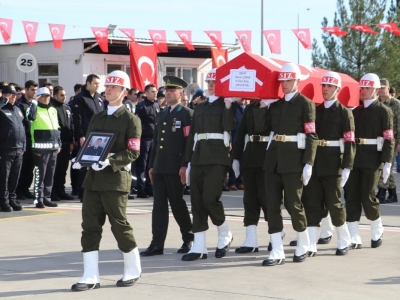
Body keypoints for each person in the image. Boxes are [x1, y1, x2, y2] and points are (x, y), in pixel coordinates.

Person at [71, 70, 142, 291]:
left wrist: (111, 161)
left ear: (124, 92)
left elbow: (133, 152)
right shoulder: (97, 117)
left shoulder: (131, 119)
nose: (108, 89)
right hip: (93, 180)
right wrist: (80, 158)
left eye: (113, 87)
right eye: (107, 86)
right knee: (90, 227)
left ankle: (133, 268)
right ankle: (90, 275)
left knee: (119, 225)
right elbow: (91, 145)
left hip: (115, 181)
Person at [253, 63, 318, 266]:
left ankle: (303, 244)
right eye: (282, 81)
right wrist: (263, 107)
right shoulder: (276, 105)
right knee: (271, 205)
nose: (285, 84)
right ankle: (277, 250)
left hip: (293, 160)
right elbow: (262, 129)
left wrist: (308, 162)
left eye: (289, 80)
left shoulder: (306, 104)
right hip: (273, 159)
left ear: (297, 81)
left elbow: (311, 135)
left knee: (293, 204)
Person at [182, 69, 237, 261]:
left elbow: (229, 127)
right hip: (198, 158)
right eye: (209, 81)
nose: (211, 84)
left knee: (209, 198)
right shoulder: (200, 107)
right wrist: (187, 162)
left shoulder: (226, 104)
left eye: (215, 81)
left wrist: (229, 106)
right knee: (196, 201)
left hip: (217, 157)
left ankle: (224, 233)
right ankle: (199, 246)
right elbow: (192, 137)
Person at [301, 71, 355, 256]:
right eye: (323, 86)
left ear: (337, 89)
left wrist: (347, 166)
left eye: (329, 86)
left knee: (334, 203)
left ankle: (344, 239)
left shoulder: (345, 113)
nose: (325, 89)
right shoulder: (316, 110)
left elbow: (349, 142)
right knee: (312, 203)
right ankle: (310, 244)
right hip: (316, 164)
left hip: (333, 165)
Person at [141, 76, 194, 257]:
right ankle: (157, 244)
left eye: (172, 90)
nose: (168, 93)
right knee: (159, 206)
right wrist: (151, 165)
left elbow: (188, 142)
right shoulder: (162, 113)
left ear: (180, 93)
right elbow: (156, 142)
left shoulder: (186, 113)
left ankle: (189, 237)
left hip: (175, 166)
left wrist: (185, 165)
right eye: (167, 90)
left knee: (177, 203)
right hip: (160, 166)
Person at [346, 73, 394, 250]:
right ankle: (353, 235)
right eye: (362, 88)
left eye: (367, 88)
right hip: (355, 156)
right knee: (351, 196)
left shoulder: (384, 111)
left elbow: (389, 138)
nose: (363, 91)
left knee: (367, 195)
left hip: (372, 158)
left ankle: (377, 228)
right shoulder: (355, 111)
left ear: (375, 90)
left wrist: (387, 162)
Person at [231, 100, 271, 253]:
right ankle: (250, 239)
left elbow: (263, 127)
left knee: (267, 198)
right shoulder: (251, 107)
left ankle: (276, 233)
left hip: (268, 156)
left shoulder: (276, 106)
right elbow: (241, 132)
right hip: (250, 155)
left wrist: (264, 108)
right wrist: (236, 157)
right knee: (250, 199)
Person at [72, 74, 104, 201]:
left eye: (98, 83)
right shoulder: (80, 98)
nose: (97, 85)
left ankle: (94, 191)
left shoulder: (99, 98)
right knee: (84, 166)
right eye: (95, 83)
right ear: (88, 83)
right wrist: (80, 136)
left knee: (96, 165)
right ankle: (82, 193)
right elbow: (77, 119)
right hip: (86, 136)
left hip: (99, 137)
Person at [30, 87, 61, 208]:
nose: (46, 98)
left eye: (48, 96)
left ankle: (47, 197)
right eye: (43, 96)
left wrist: (59, 143)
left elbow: (57, 128)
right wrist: (34, 102)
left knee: (49, 175)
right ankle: (38, 199)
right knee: (40, 175)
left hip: (53, 147)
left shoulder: (53, 109)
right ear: (38, 97)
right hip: (40, 148)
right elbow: (30, 117)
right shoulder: (34, 108)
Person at [0, 83, 25, 212]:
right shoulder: (1, 108)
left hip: (18, 148)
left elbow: (22, 127)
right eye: (10, 95)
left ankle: (12, 199)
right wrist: (2, 100)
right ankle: (3, 201)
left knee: (14, 177)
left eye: (14, 95)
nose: (13, 97)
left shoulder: (17, 109)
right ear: (3, 95)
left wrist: (23, 145)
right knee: (4, 177)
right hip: (5, 148)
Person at [376, 78, 400, 204]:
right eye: (379, 88)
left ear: (388, 88)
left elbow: (399, 123)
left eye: (383, 87)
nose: (380, 90)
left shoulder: (396, 104)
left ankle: (381, 192)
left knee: (386, 165)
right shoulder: (376, 103)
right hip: (379, 141)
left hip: (393, 140)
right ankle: (392, 193)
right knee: (385, 167)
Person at [135, 84, 160, 198]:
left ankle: (150, 188)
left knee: (151, 165)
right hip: (144, 139)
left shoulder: (157, 105)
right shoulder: (141, 106)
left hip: (154, 140)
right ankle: (141, 189)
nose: (155, 93)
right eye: (153, 91)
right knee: (142, 165)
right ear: (146, 93)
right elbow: (136, 123)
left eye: (156, 91)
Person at [50, 86, 75, 201]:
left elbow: (71, 125)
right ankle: (53, 191)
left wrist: (72, 140)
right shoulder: (51, 107)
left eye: (64, 95)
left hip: (66, 143)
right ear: (54, 96)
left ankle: (61, 190)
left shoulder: (67, 108)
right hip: (56, 144)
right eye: (61, 95)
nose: (64, 97)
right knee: (55, 169)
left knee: (63, 169)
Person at [16, 80, 39, 200]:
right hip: (23, 139)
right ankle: (18, 190)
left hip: (33, 140)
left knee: (30, 167)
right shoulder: (20, 104)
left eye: (35, 90)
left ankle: (25, 189)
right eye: (32, 89)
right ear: (26, 90)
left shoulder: (34, 104)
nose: (34, 92)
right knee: (22, 167)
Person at [227, 99, 245, 191]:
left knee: (240, 159)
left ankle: (239, 181)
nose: (243, 99)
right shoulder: (233, 107)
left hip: (241, 139)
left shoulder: (243, 109)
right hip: (233, 137)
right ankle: (232, 181)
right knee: (233, 160)